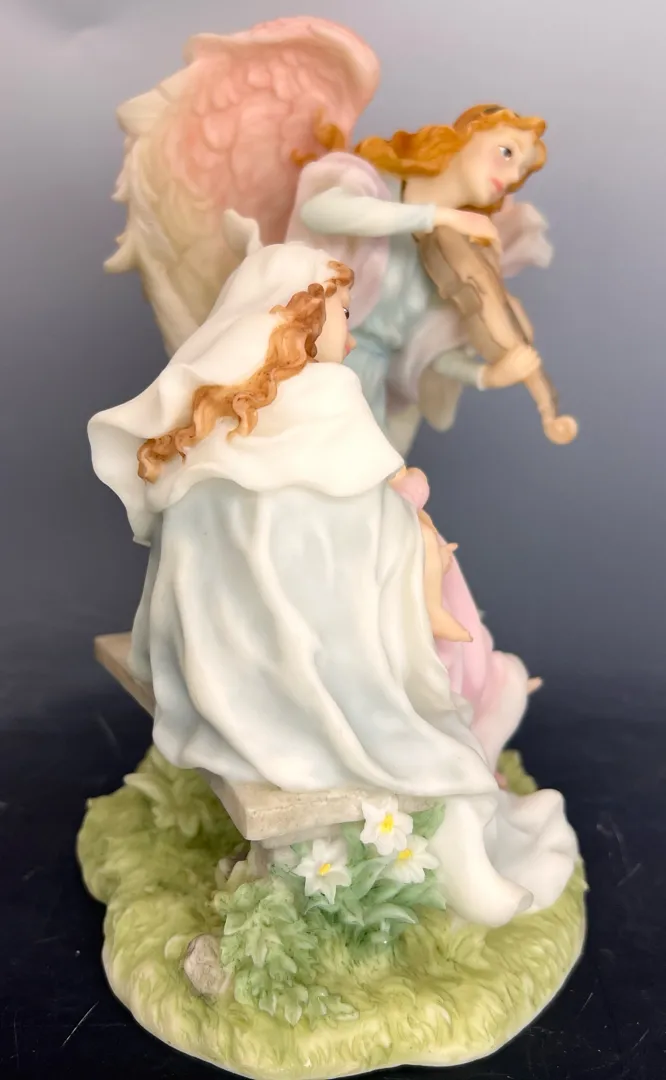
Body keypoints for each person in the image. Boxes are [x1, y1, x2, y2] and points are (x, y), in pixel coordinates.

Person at [88, 216, 577, 927]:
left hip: (217, 665)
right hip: (318, 663)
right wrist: (417, 544)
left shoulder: (215, 430)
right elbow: (367, 535)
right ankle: (451, 859)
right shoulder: (329, 404)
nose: (349, 333)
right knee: (419, 723)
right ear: (301, 323)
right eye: (343, 316)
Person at [287, 105, 552, 449]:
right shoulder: (374, 187)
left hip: (365, 390)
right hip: (307, 367)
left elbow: (424, 349)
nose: (513, 175)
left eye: (522, 169)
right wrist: (438, 216)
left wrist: (485, 376)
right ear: (468, 134)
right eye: (507, 152)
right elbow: (318, 211)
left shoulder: (451, 254)